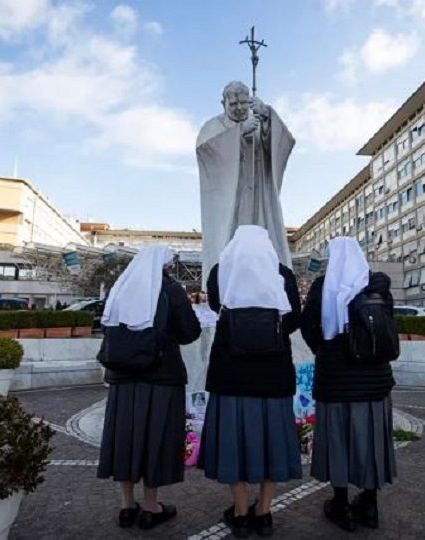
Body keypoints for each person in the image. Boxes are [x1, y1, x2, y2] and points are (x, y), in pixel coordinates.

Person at [198, 225, 302, 538]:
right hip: (274, 376)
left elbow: (216, 307)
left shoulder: (220, 272)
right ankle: (264, 511)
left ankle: (241, 512)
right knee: (273, 445)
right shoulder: (283, 274)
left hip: (230, 375)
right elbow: (293, 319)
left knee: (234, 445)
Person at [96, 245, 201, 530]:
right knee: (156, 439)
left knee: (125, 438)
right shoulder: (171, 290)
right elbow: (189, 332)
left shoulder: (121, 288)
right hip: (161, 378)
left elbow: (106, 325)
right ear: (166, 265)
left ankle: (127, 505)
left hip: (122, 378)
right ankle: (151, 506)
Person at [301, 237, 397, 532]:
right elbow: (387, 326)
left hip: (335, 382)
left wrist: (325, 349)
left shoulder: (322, 287)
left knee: (338, 443)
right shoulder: (377, 285)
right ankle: (369, 505)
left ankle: (341, 505)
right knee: (372, 443)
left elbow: (309, 328)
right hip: (374, 382)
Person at [196, 81, 295, 288]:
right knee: (231, 242)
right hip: (232, 199)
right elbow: (206, 151)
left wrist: (267, 116)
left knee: (261, 237)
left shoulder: (257, 119)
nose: (240, 108)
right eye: (233, 104)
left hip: (258, 196)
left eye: (243, 102)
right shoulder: (212, 126)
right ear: (223, 103)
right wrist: (239, 133)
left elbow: (284, 143)